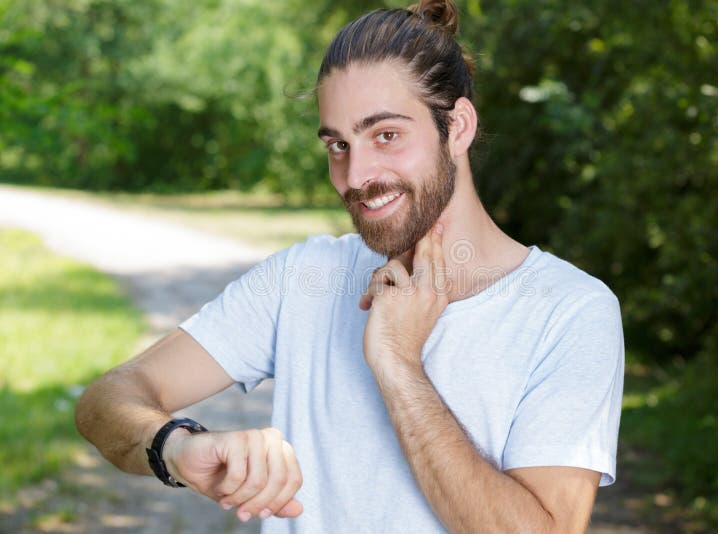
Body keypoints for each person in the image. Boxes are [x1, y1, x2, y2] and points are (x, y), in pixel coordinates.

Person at [75, 1, 625, 532]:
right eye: (337, 144)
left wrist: (397, 362)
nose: (355, 175)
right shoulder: (303, 277)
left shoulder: (570, 311)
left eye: (386, 135)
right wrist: (178, 447)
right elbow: (107, 400)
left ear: (457, 127)